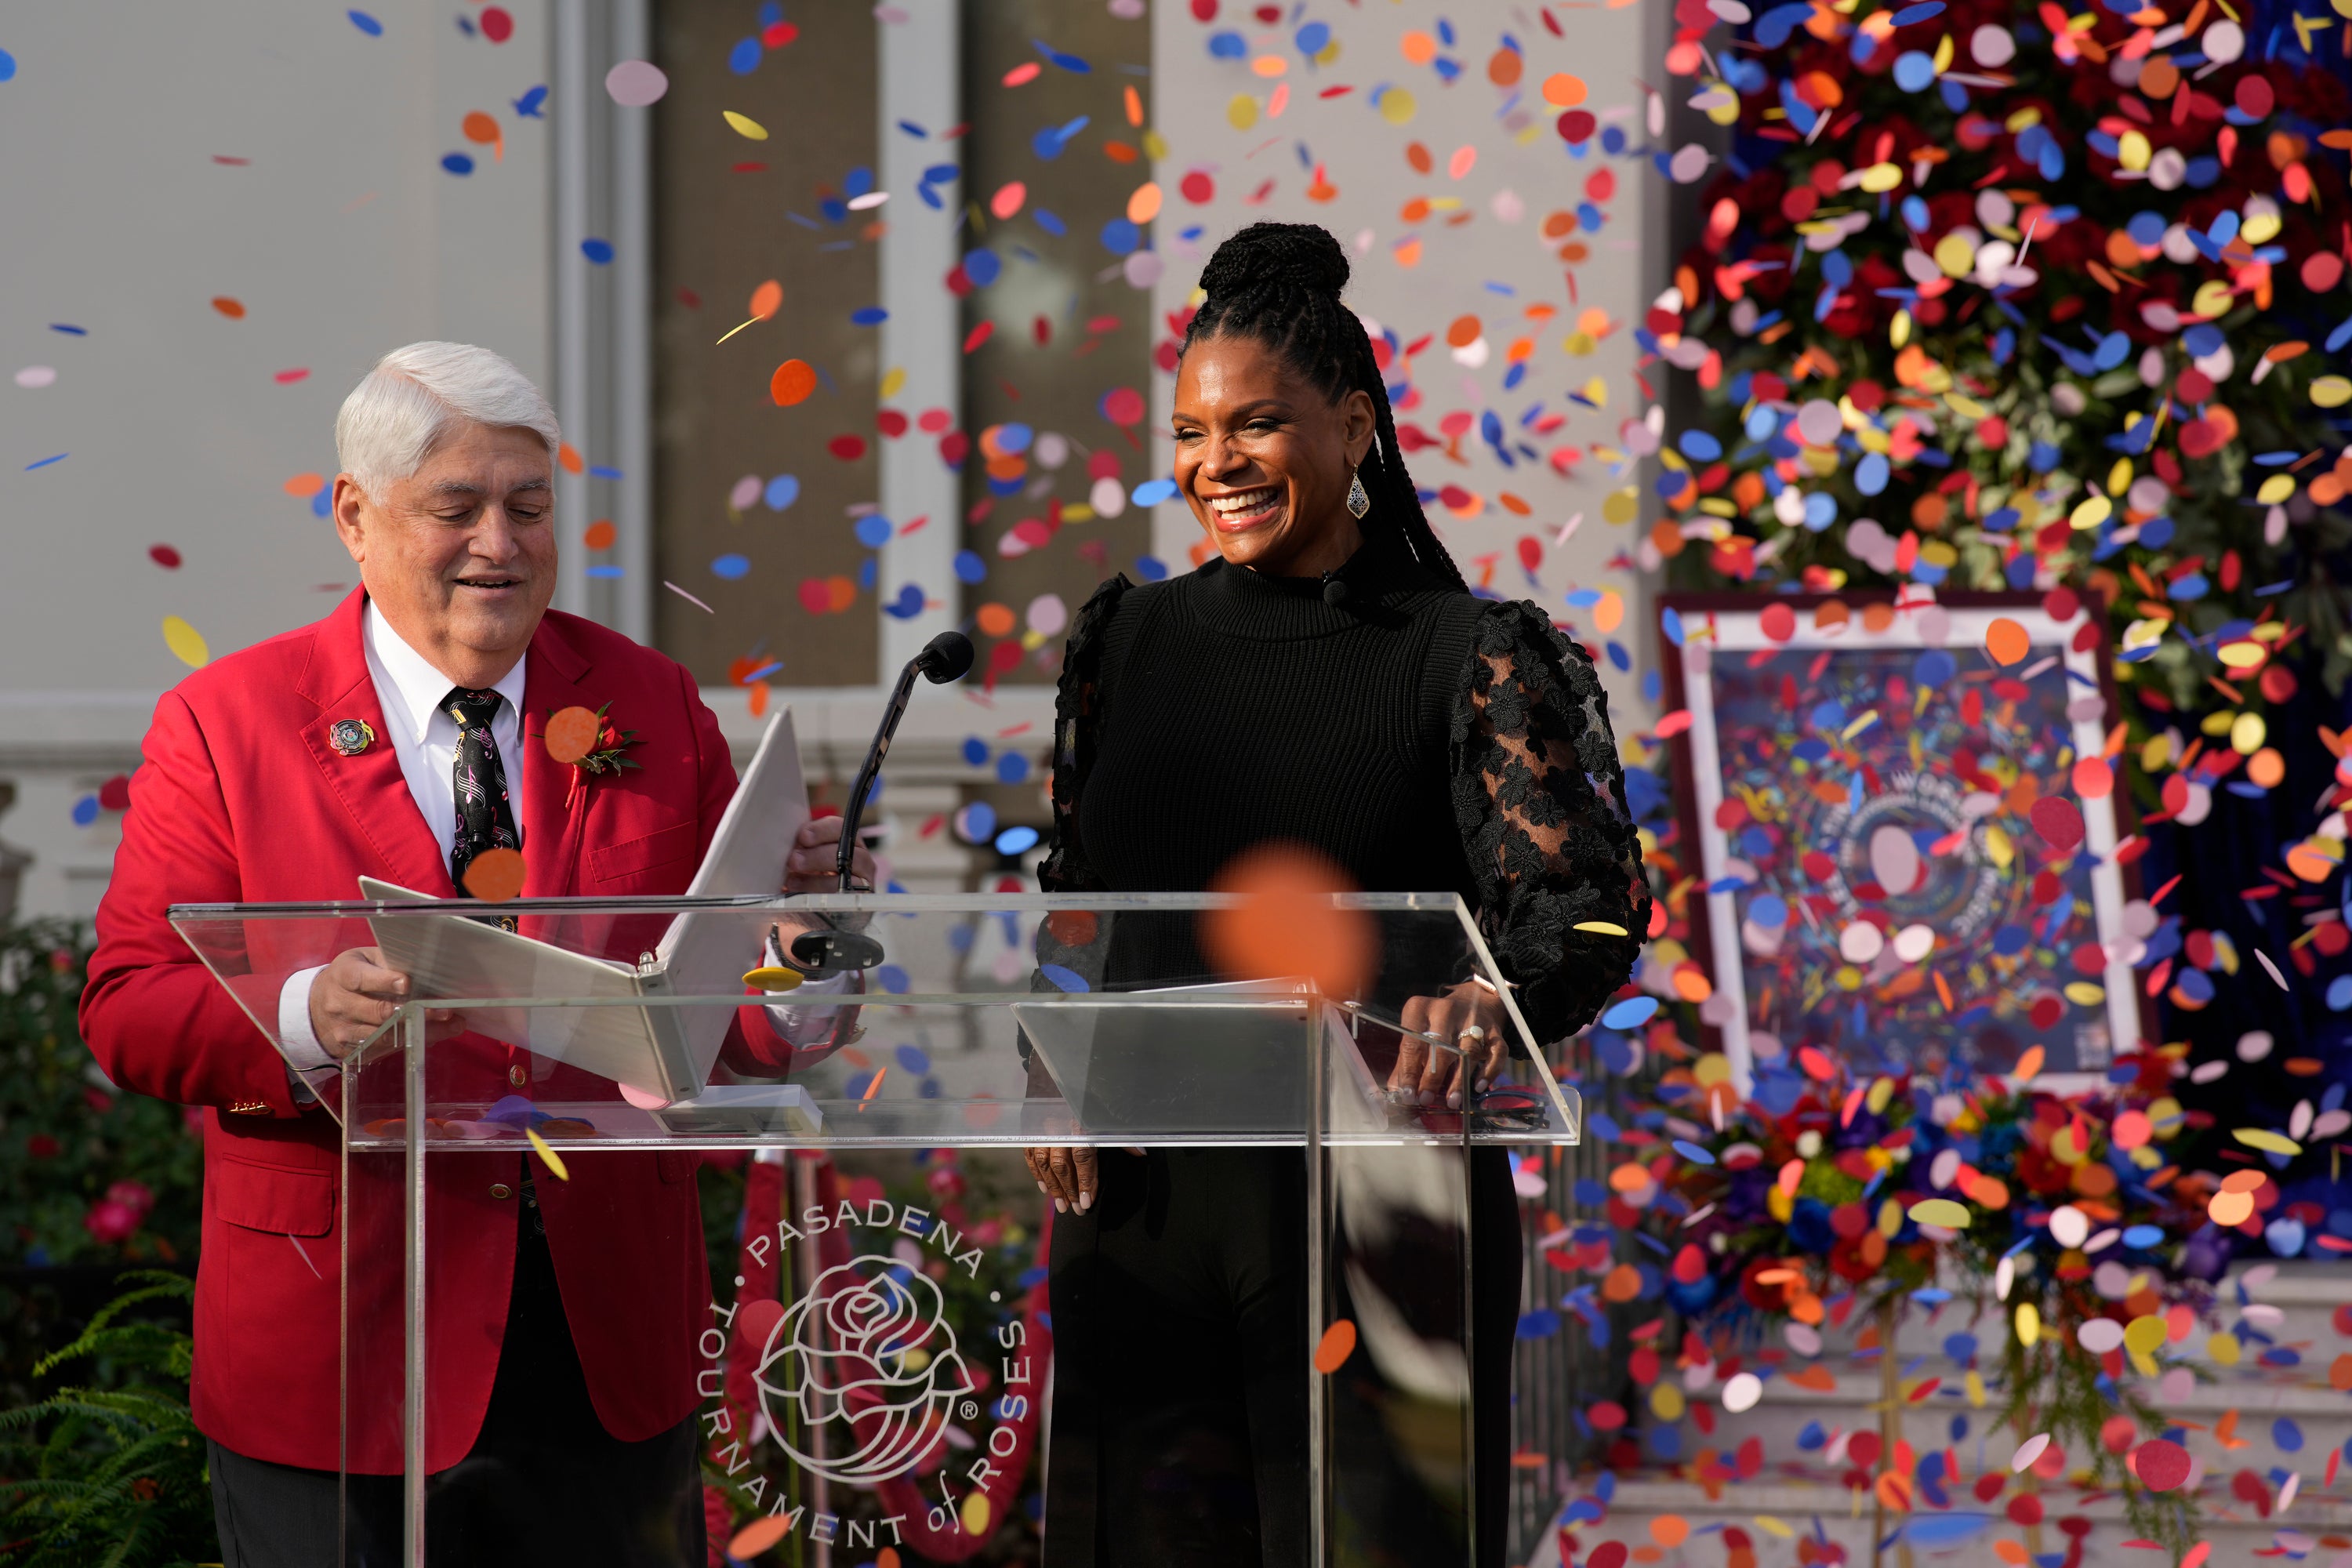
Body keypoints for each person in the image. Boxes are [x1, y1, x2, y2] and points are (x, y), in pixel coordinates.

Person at [79, 342, 866, 1567]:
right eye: (457, 509)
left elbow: (731, 1020)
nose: (501, 544)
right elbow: (128, 1006)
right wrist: (300, 1017)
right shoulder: (226, 723)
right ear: (354, 514)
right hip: (340, 1348)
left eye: (530, 507)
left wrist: (800, 962)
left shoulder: (652, 703)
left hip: (607, 1345)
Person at [1022, 223, 1649, 1567]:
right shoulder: (1127, 642)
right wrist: (1048, 1068)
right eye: (1192, 433)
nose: (1216, 465)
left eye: (1257, 425)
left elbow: (1585, 913)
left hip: (1381, 1205)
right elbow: (1079, 905)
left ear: (1354, 427)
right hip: (1139, 1211)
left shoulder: (1466, 653)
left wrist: (1496, 997)